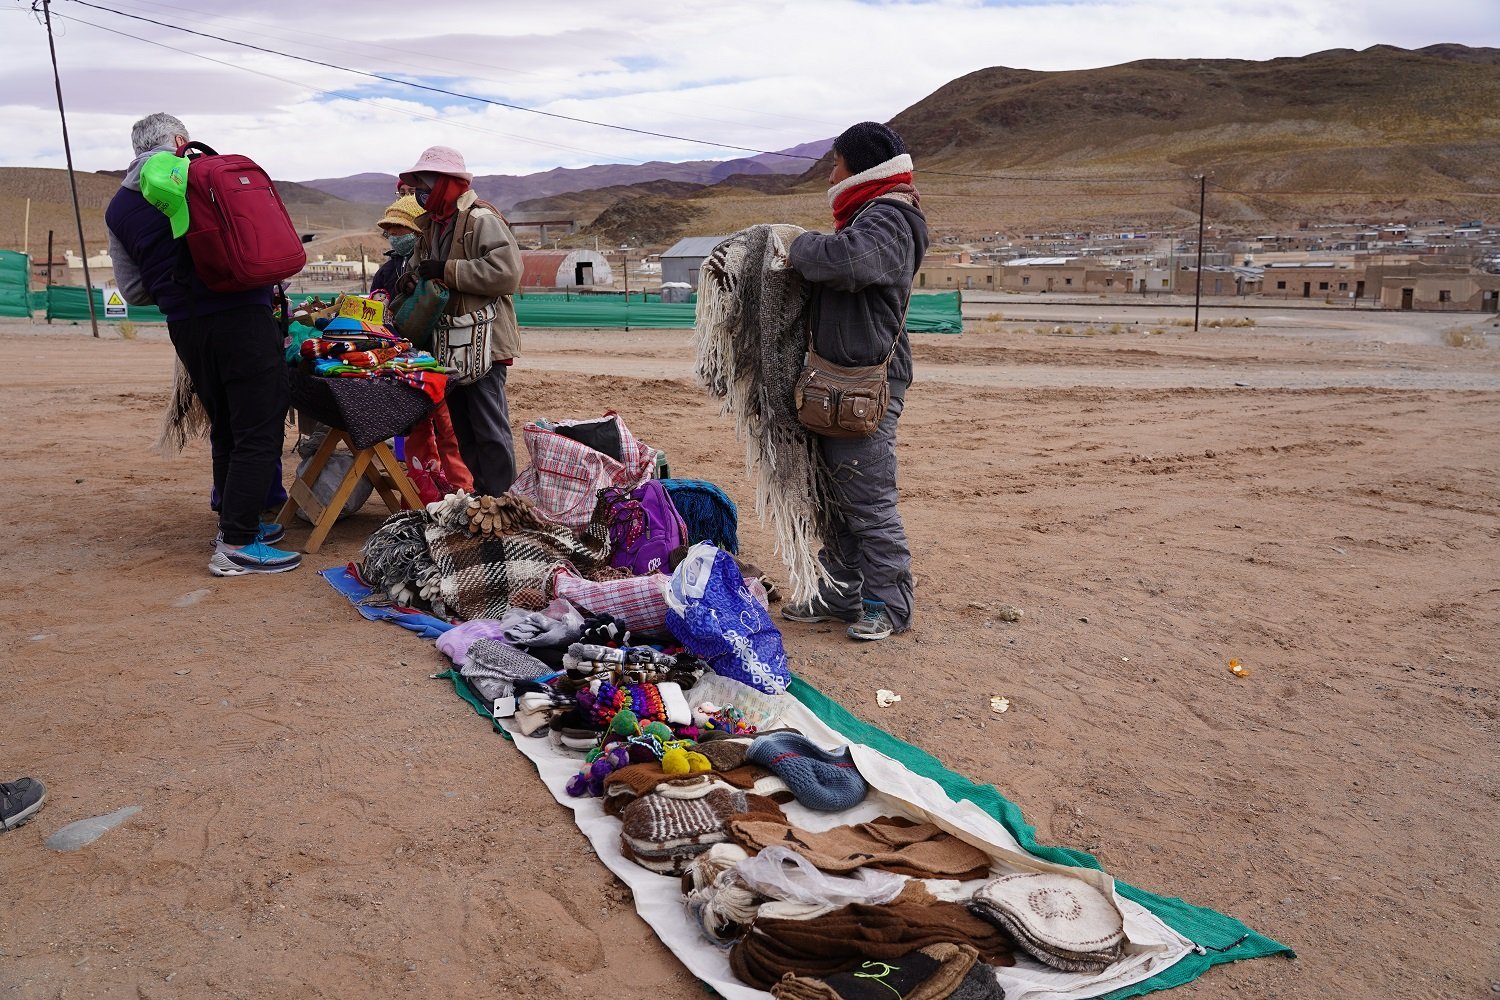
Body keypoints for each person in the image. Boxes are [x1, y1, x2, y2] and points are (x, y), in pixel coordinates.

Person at [106, 113, 300, 577]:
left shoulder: (118, 208)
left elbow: (133, 292)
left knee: (228, 425)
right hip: (242, 315)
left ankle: (238, 524)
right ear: (179, 140)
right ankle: (236, 544)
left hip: (185, 327)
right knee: (259, 427)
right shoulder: (201, 172)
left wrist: (179, 288)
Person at [778, 122, 929, 641]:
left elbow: (848, 263)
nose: (832, 174)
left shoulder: (890, 217)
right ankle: (840, 593)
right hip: (837, 381)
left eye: (837, 163)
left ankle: (889, 605)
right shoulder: (870, 216)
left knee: (865, 495)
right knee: (832, 494)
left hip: (868, 383)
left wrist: (794, 247)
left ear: (860, 168)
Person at [397, 146, 522, 496]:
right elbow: (416, 271)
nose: (420, 191)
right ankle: (481, 499)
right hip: (450, 343)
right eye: (418, 184)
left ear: (447, 184)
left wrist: (448, 271)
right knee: (464, 428)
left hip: (484, 343)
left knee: (488, 427)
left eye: (426, 183)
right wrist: (409, 283)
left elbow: (507, 273)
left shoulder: (482, 220)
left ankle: (500, 502)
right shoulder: (430, 226)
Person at [373, 194, 474, 493]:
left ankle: (460, 489)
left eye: (399, 229)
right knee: (415, 423)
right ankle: (423, 489)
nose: (393, 236)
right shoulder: (387, 270)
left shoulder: (430, 260)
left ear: (416, 231)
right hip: (407, 356)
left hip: (438, 355)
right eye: (389, 230)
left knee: (448, 427)